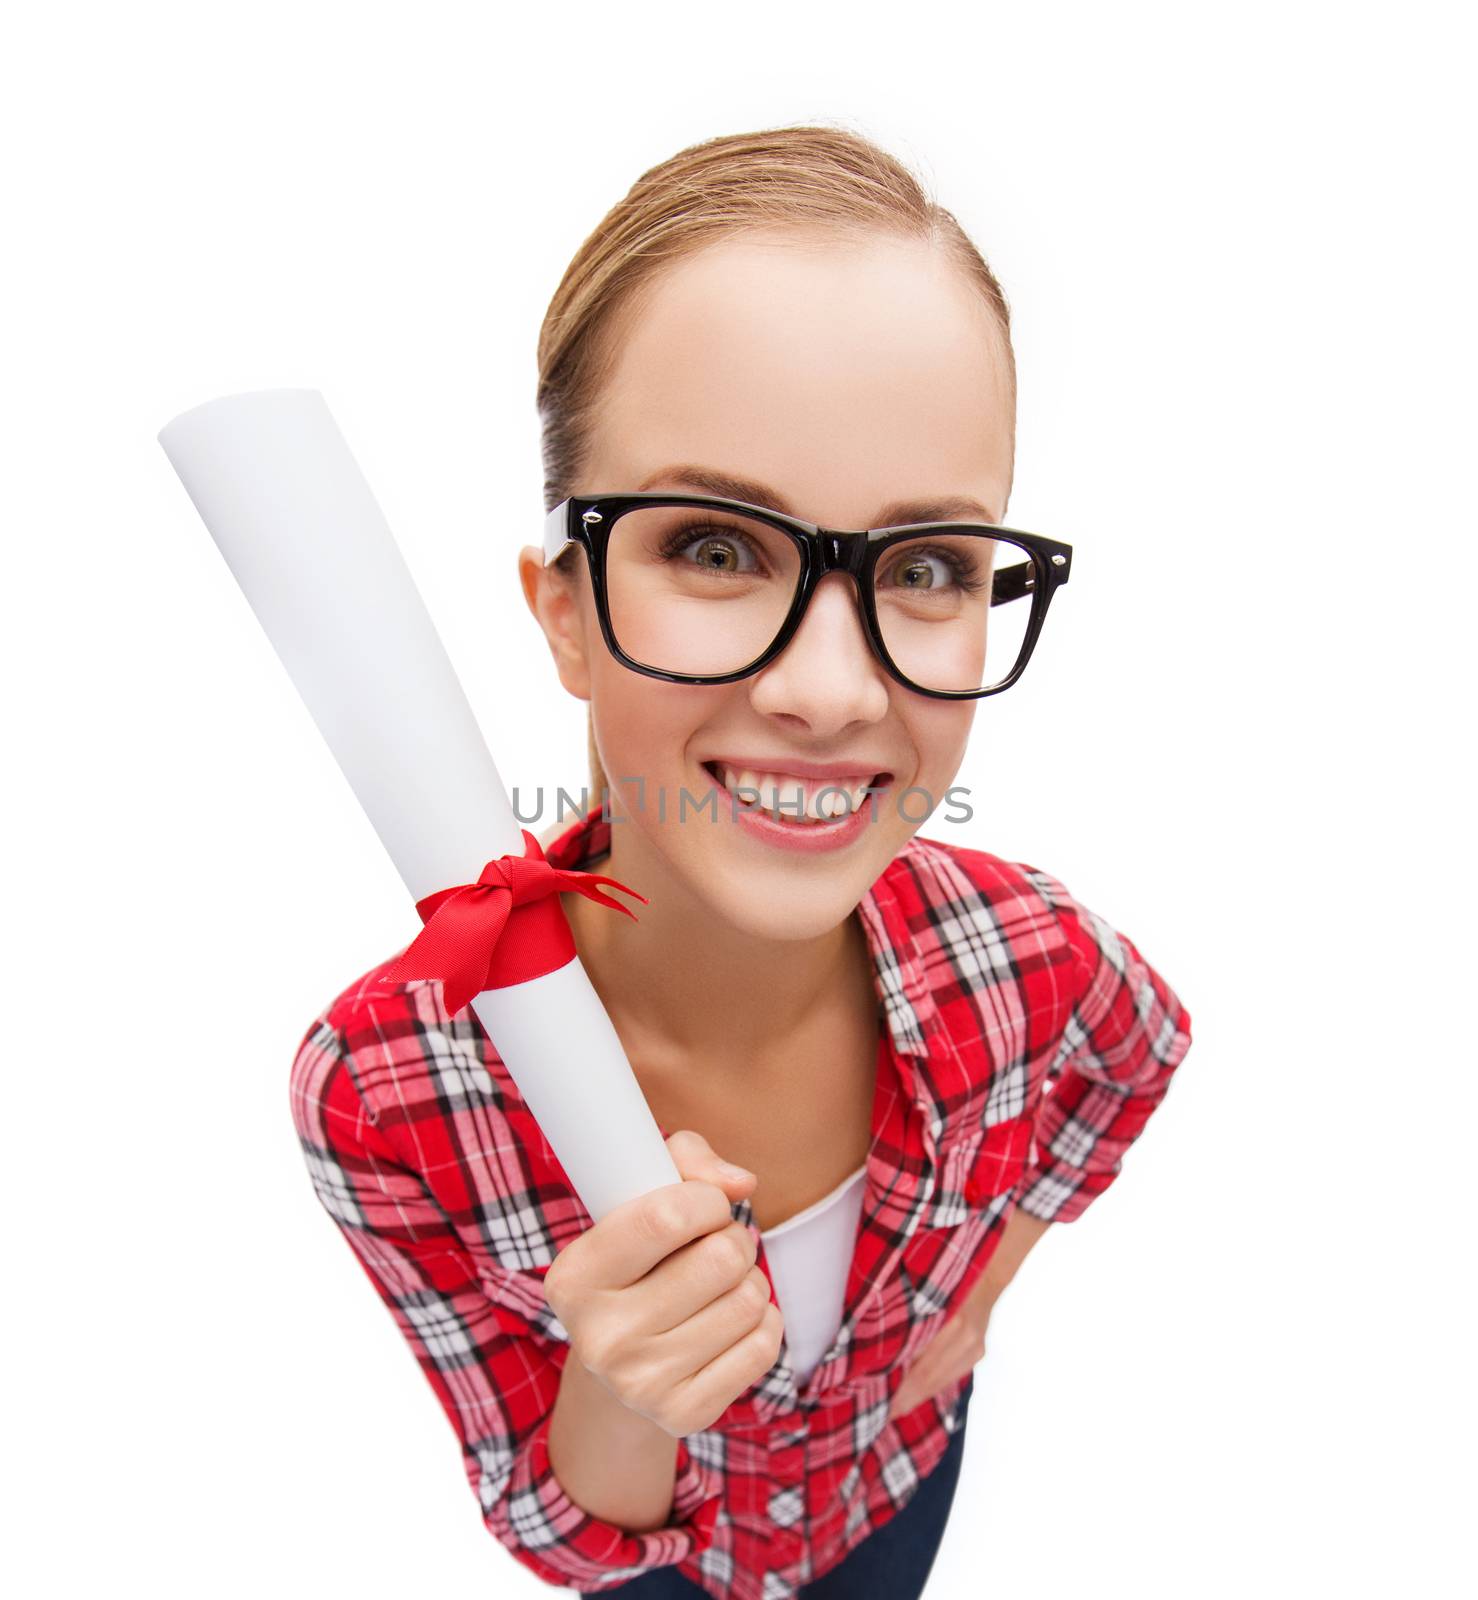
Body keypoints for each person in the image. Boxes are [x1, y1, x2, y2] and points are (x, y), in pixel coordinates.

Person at [289, 124, 1194, 1600]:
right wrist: (626, 1387)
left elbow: (1139, 1053)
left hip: (894, 1480)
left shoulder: (1030, 955)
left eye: (924, 569)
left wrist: (985, 1287)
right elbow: (556, 1526)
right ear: (567, 608)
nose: (831, 692)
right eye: (714, 547)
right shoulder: (388, 1086)